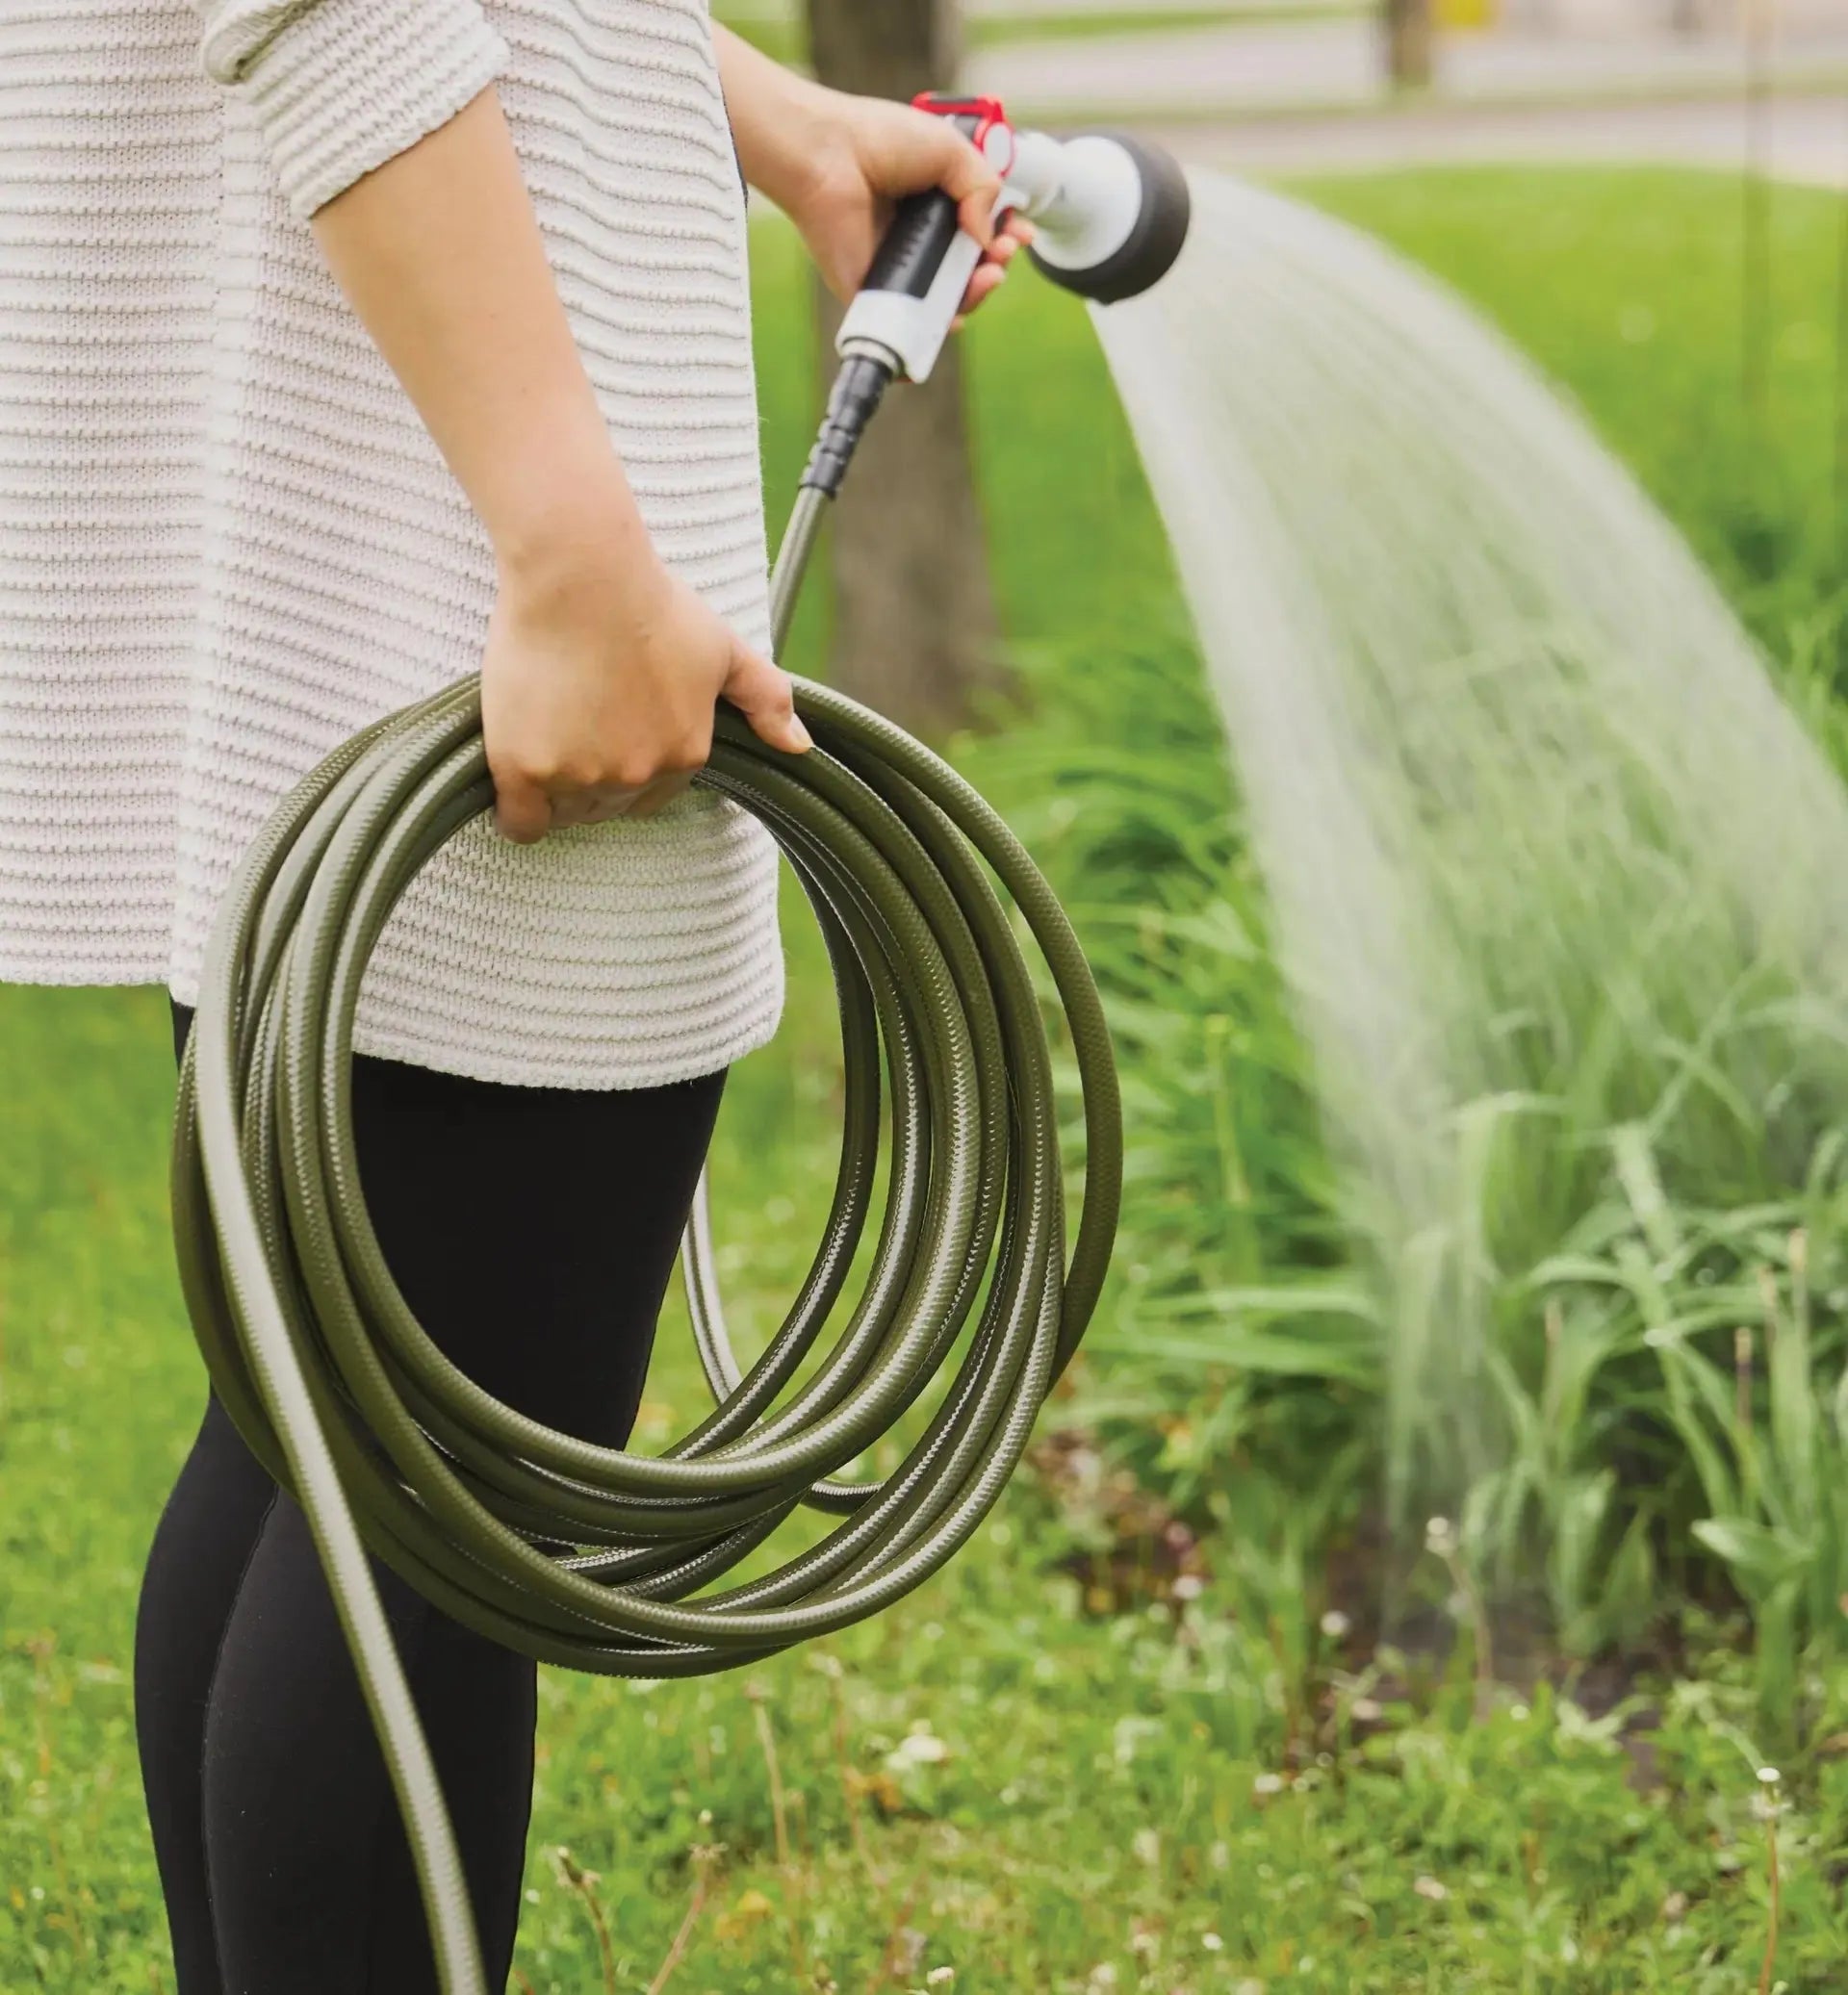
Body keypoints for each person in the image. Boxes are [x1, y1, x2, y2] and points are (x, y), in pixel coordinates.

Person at [0, 4, 1029, 1986]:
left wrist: (758, 110)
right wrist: (564, 539)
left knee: (328, 1427)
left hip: (368, 435)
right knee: (439, 1485)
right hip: (458, 505)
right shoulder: (537, 545)